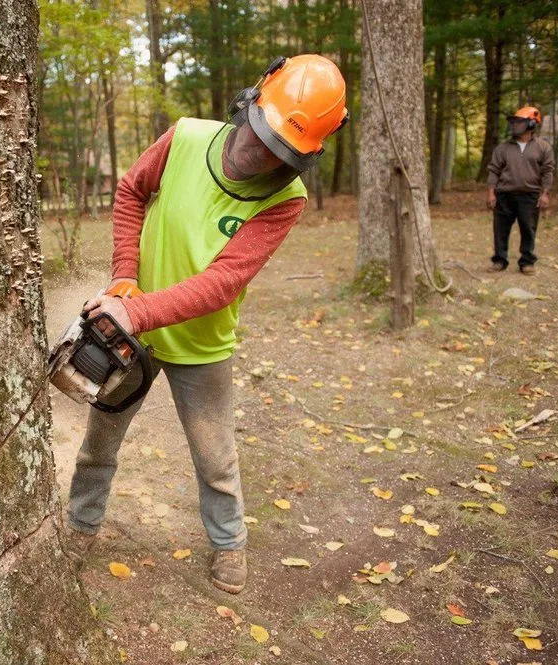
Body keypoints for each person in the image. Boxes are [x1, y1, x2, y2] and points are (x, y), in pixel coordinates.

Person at [63, 54, 348, 595]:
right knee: (100, 442)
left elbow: (223, 282)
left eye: (281, 149)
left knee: (215, 456)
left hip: (202, 344)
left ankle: (228, 543)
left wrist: (137, 308)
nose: (260, 151)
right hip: (132, 332)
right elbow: (129, 191)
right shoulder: (187, 138)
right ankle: (81, 523)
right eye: (262, 132)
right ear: (251, 102)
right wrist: (125, 279)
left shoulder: (287, 197)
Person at [486, 106, 555, 275]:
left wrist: (545, 193)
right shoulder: (503, 148)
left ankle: (527, 262)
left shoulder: (543, 147)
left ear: (531, 124)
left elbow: (547, 171)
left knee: (528, 228)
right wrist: (491, 192)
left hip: (529, 195)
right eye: (514, 122)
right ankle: (500, 260)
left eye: (519, 122)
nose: (515, 125)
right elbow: (494, 170)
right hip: (504, 194)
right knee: (500, 229)